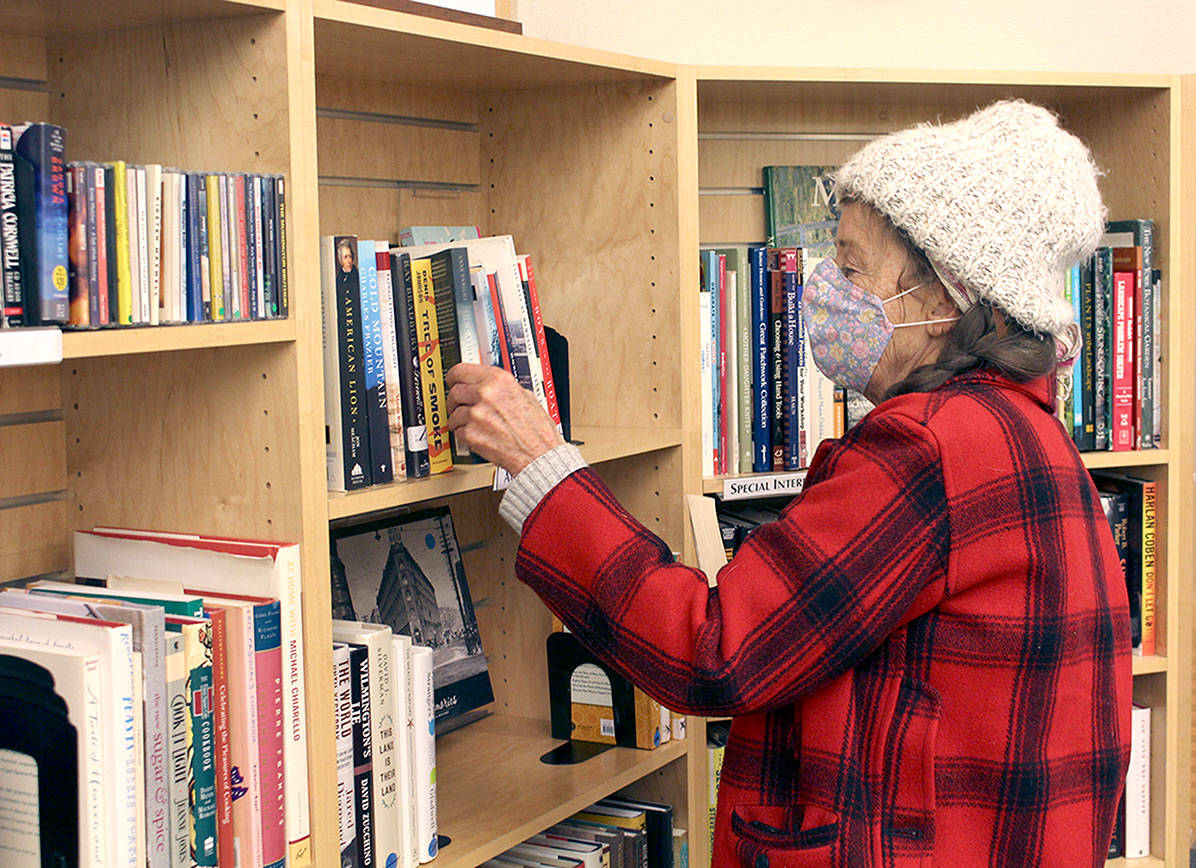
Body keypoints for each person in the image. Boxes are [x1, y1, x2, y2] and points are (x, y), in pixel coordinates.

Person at [446, 100, 1131, 868]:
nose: (825, 291)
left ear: (943, 301)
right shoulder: (1026, 430)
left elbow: (714, 652)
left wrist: (545, 472)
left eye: (851, 266)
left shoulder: (932, 446)